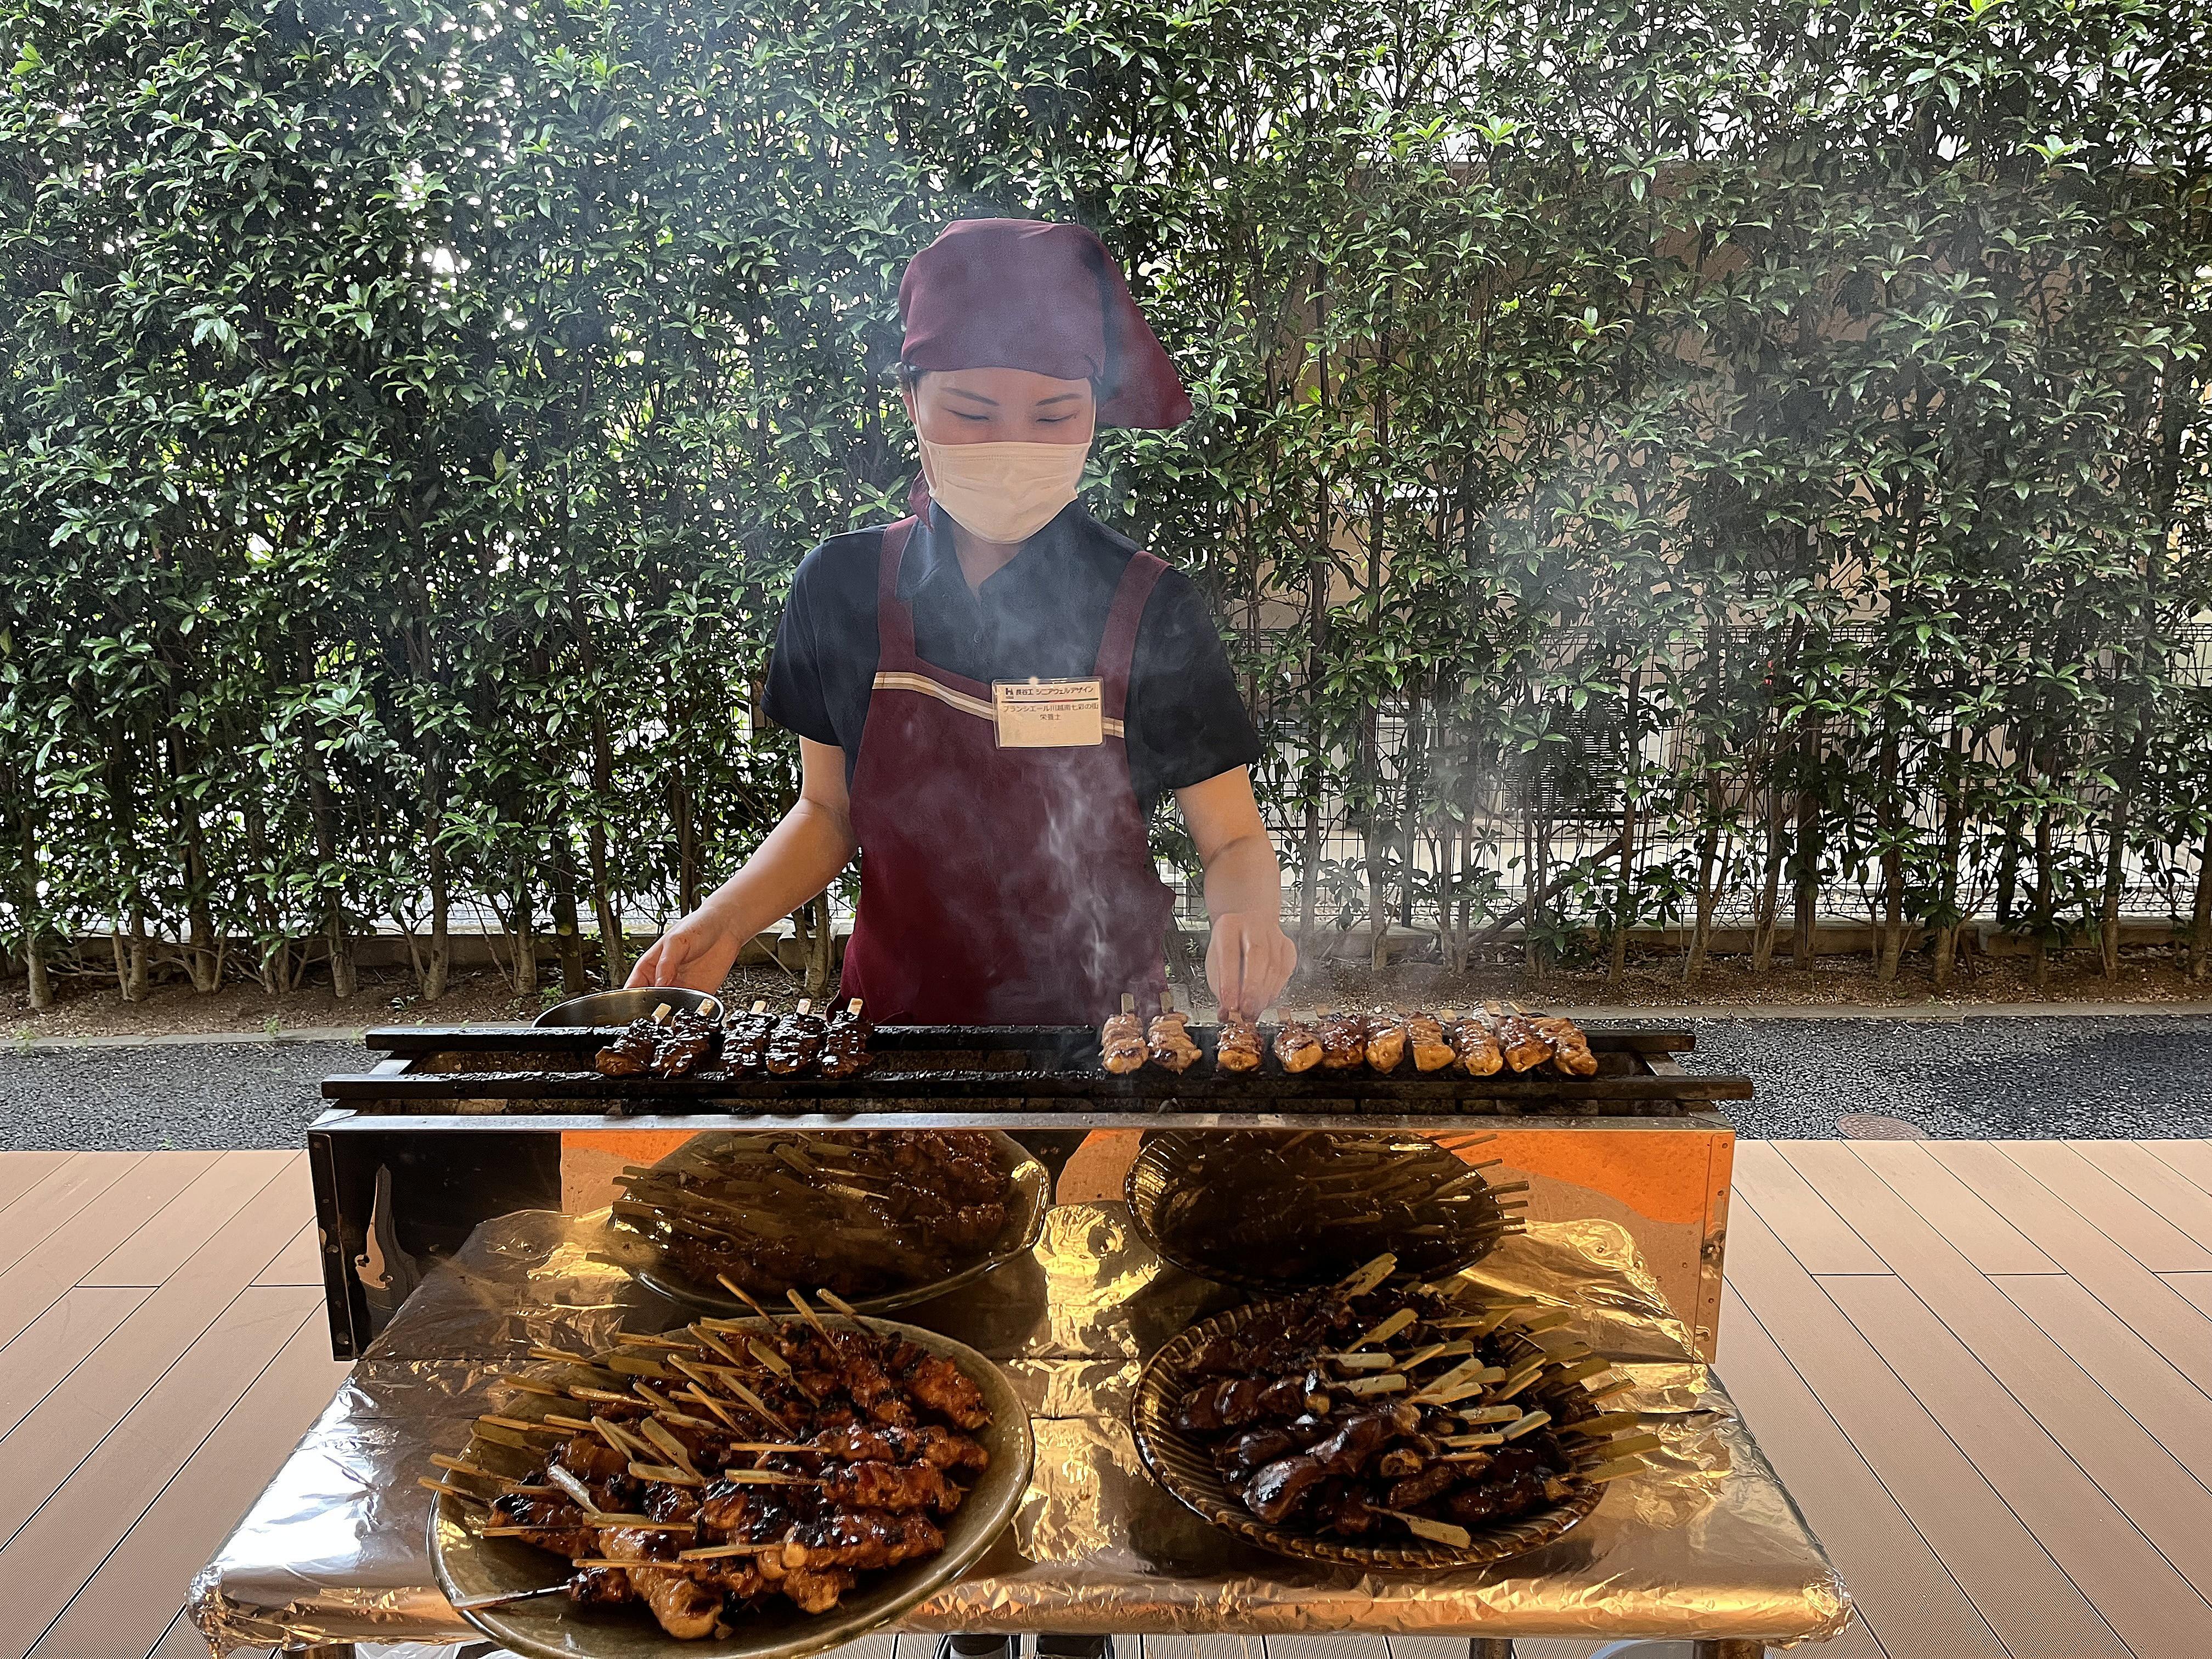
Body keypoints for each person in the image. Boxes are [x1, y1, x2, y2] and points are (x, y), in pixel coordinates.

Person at [629, 218, 1297, 1025]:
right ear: (912, 397)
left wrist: (1247, 918)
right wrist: (724, 921)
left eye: (1053, 418)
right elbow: (827, 812)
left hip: (1102, 1042)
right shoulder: (839, 588)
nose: (1012, 444)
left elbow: (1231, 840)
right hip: (888, 1039)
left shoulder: (1152, 606)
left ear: (1094, 415)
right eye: (974, 413)